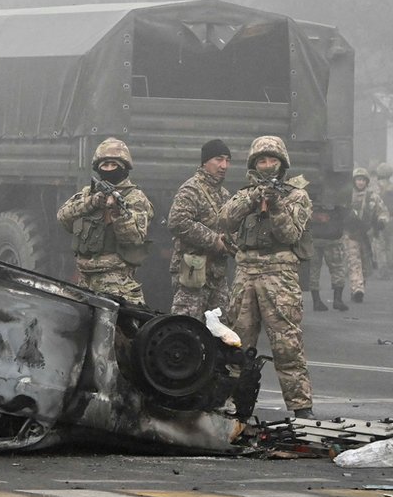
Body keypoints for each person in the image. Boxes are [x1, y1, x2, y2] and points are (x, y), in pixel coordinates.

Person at [219, 135, 315, 418]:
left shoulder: (297, 196)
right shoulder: (244, 193)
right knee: (237, 344)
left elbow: (290, 234)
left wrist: (275, 206)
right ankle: (235, 406)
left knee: (287, 344)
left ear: (282, 163)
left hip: (279, 275)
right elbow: (224, 220)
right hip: (246, 274)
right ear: (254, 164)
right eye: (262, 160)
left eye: (273, 160)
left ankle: (301, 408)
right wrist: (252, 198)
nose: (268, 165)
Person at [57, 137, 154, 306]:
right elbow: (63, 217)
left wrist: (116, 213)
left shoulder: (135, 198)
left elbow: (134, 238)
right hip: (84, 281)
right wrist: (91, 203)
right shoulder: (88, 193)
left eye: (113, 165)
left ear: (123, 167)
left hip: (116, 282)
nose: (109, 169)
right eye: (105, 165)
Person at [167, 139, 233, 321]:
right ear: (205, 162)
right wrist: (214, 240)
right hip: (192, 272)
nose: (224, 165)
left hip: (216, 275)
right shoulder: (191, 190)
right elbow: (177, 221)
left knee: (220, 331)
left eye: (227, 160)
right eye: (219, 159)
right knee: (187, 327)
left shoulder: (224, 194)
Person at [343, 167, 390, 303]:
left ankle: (360, 287)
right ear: (354, 181)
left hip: (367, 236)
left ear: (366, 182)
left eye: (363, 180)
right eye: (358, 179)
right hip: (350, 235)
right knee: (354, 262)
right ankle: (357, 288)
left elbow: (383, 211)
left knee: (365, 265)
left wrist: (381, 221)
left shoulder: (372, 197)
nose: (361, 182)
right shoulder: (347, 196)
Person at [307, 188, 349, 311]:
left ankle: (317, 301)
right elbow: (346, 212)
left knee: (313, 270)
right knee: (337, 268)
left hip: (314, 237)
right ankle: (337, 299)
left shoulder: (307, 193)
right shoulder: (338, 191)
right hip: (332, 238)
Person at [374, 162, 393, 280]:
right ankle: (391, 268)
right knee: (390, 245)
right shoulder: (391, 187)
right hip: (392, 218)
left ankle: (384, 272)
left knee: (380, 246)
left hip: (381, 219)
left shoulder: (377, 188)